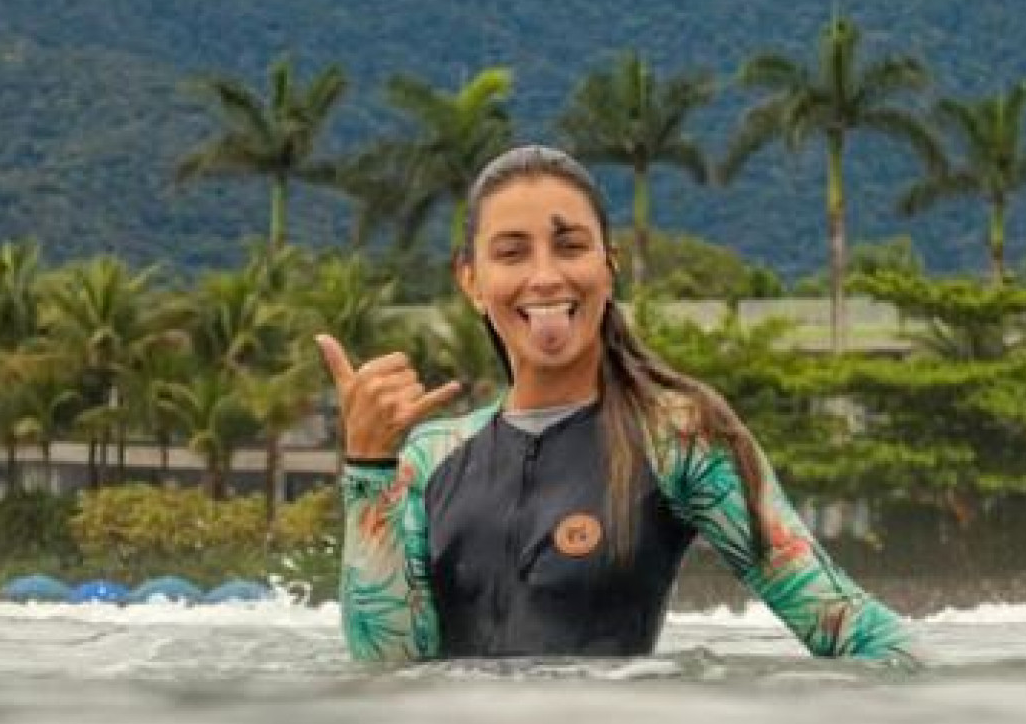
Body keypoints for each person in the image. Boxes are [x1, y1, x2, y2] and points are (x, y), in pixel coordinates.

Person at [315, 143, 912, 663]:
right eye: (512, 252)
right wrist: (368, 470)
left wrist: (973, 715)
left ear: (609, 264)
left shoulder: (677, 438)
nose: (545, 276)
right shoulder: (430, 454)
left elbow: (844, 624)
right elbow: (391, 665)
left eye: (570, 245)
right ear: (471, 281)